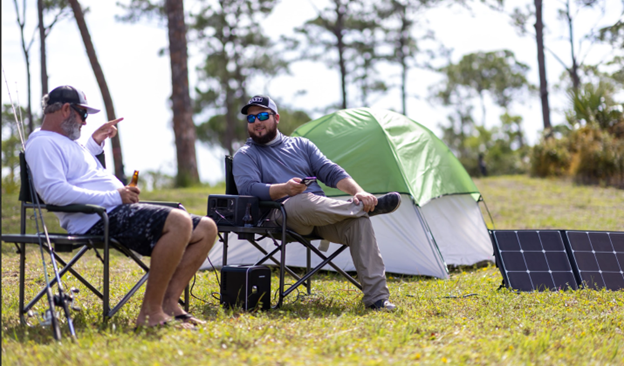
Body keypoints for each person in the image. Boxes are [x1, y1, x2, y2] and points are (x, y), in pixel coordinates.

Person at [25, 86, 217, 329]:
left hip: (113, 212)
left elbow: (80, 170)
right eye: (83, 114)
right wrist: (115, 196)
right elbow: (53, 193)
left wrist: (95, 143)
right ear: (65, 110)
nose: (85, 122)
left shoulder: (67, 143)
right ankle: (150, 313)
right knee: (179, 221)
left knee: (207, 228)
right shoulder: (42, 143)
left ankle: (169, 302)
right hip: (95, 220)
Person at [233, 95, 401, 310]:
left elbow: (330, 172)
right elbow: (248, 189)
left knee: (359, 223)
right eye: (251, 118)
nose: (256, 121)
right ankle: (365, 208)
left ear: (276, 118)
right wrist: (285, 189)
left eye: (263, 115)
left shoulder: (301, 145)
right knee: (303, 201)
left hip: (319, 214)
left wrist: (359, 192)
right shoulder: (246, 155)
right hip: (281, 216)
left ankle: (377, 299)